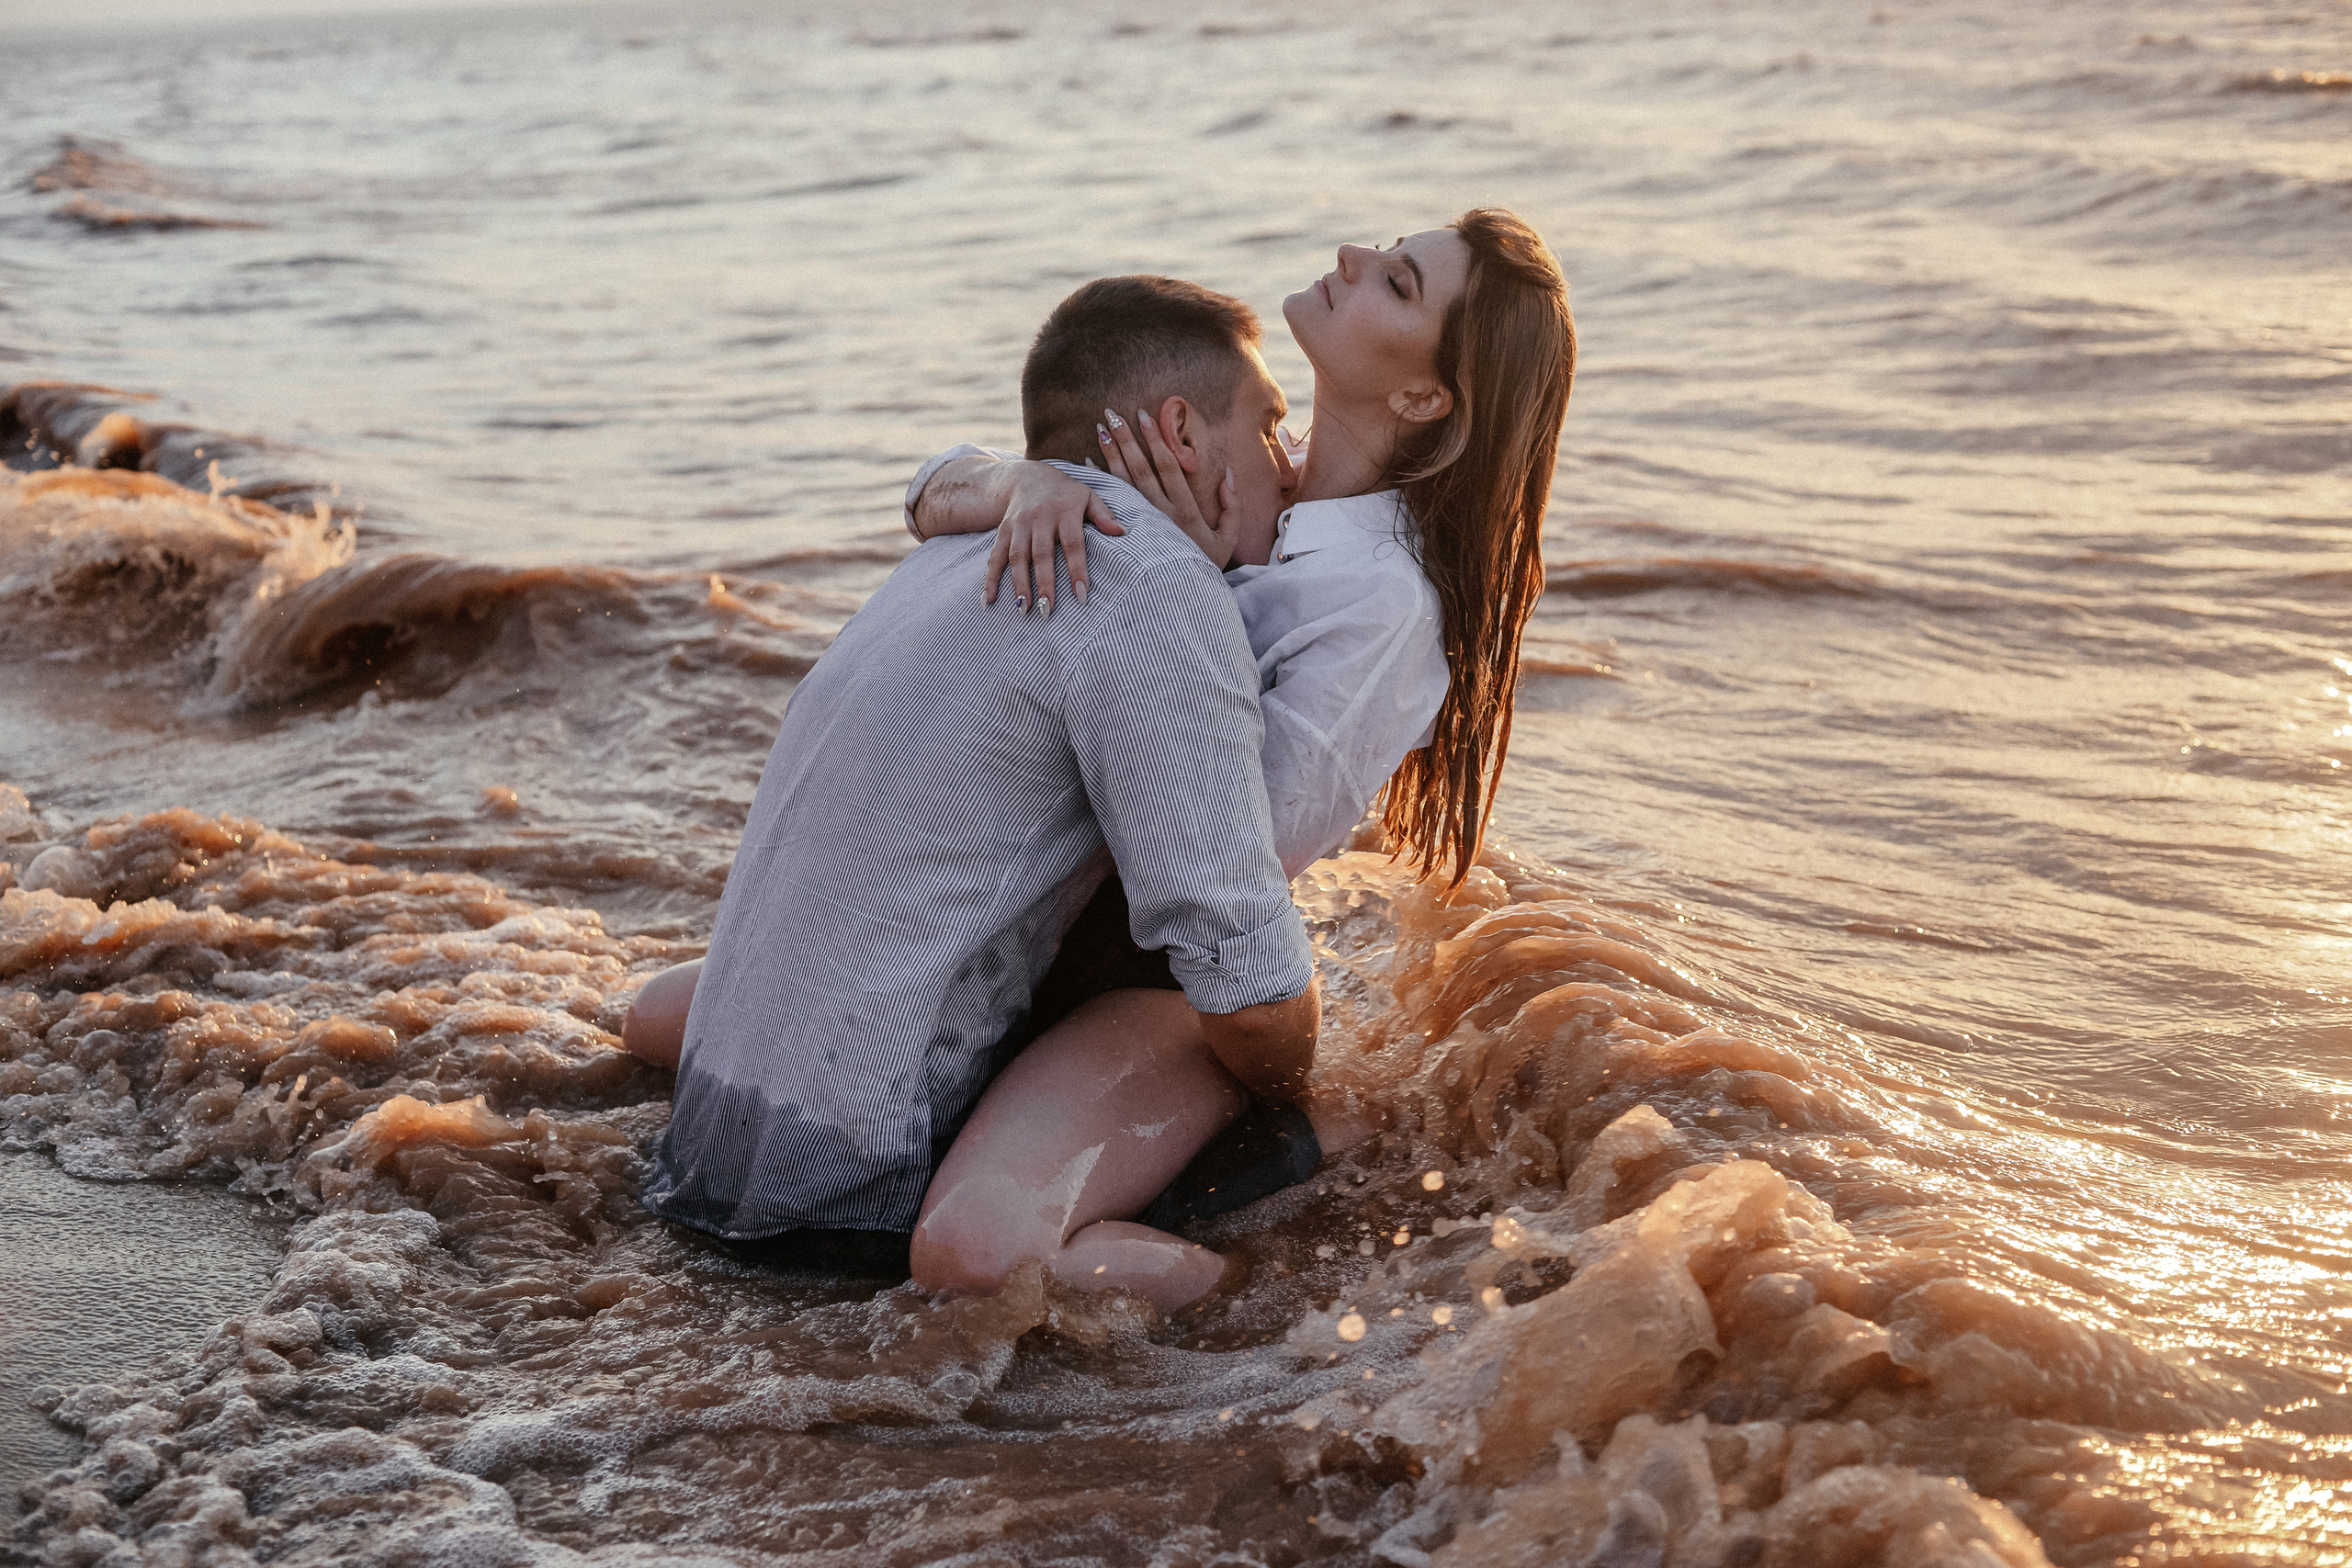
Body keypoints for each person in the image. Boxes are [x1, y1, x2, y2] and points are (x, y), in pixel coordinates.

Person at [635, 209, 1577, 1310]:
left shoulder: (1372, 603)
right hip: (1031, 929)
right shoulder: (1236, 476)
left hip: (1161, 978)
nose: (1351, 259)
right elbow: (1007, 493)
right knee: (666, 1016)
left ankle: (1280, 1204)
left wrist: (1180, 582)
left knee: (975, 1250)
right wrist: (1023, 481)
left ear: (1422, 396)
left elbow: (1224, 871)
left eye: (1400, 283)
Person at [638, 277, 1322, 1309]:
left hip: (698, 1159)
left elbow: (934, 481)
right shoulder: (1153, 591)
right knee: (1232, 1037)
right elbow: (1238, 969)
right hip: (853, 1211)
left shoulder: (959, 541)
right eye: (1269, 427)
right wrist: (1299, 1103)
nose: (1292, 467)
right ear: (1181, 430)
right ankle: (1254, 1304)